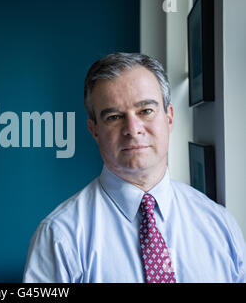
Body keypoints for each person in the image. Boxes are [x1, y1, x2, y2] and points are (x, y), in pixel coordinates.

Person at [23, 52, 245, 283]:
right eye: (114, 117)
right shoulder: (59, 236)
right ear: (94, 130)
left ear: (169, 118)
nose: (132, 128)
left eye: (146, 111)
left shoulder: (220, 223)